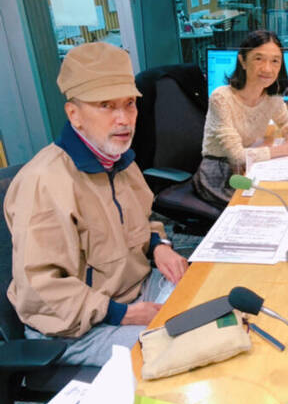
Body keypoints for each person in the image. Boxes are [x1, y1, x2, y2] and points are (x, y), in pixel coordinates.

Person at [4, 42, 189, 367]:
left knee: (207, 301)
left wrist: (158, 246)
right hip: (76, 326)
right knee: (181, 351)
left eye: (129, 103)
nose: (124, 119)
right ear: (74, 114)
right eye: (106, 106)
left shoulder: (119, 160)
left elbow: (141, 222)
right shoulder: (44, 183)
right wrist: (122, 314)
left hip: (133, 289)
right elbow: (41, 289)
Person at [194, 30, 288, 207]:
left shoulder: (272, 97)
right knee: (269, 205)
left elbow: (284, 121)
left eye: (275, 61)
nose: (267, 69)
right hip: (221, 172)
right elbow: (238, 157)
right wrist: (287, 149)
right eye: (258, 59)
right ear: (243, 61)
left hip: (253, 163)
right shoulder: (221, 98)